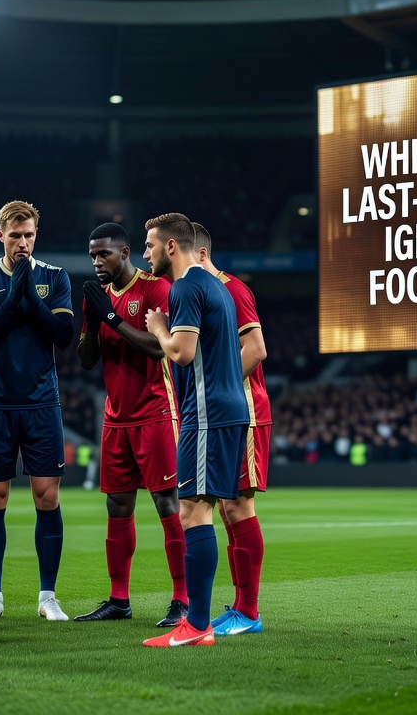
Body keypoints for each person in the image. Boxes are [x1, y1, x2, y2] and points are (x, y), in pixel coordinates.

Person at [0, 201, 75, 623]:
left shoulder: (55, 277)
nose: (22, 242)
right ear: (1, 236)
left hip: (42, 401)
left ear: (35, 234)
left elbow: (63, 335)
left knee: (47, 496)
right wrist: (12, 302)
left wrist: (29, 296)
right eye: (15, 235)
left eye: (28, 235)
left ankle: (48, 596)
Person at [140, 212, 248, 648]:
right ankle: (199, 623)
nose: (145, 253)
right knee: (201, 510)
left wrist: (158, 327)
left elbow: (182, 354)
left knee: (193, 512)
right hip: (227, 408)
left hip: (206, 413)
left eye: (149, 245)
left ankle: (197, 624)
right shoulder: (216, 286)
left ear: (170, 246)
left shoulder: (185, 286)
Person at [74, 222, 188, 627]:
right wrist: (89, 321)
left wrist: (112, 318)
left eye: (103, 254)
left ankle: (182, 600)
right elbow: (87, 359)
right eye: (92, 255)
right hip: (116, 417)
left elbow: (161, 347)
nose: (97, 262)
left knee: (167, 502)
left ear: (124, 253)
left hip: (155, 411)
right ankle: (118, 599)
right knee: (117, 505)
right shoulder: (98, 297)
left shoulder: (155, 289)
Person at [191, 222, 268, 636]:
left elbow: (256, 349)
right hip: (225, 411)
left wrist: (217, 385)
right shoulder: (208, 292)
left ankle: (250, 612)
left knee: (239, 506)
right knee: (224, 507)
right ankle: (240, 607)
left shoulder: (231, 290)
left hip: (245, 410)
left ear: (200, 253)